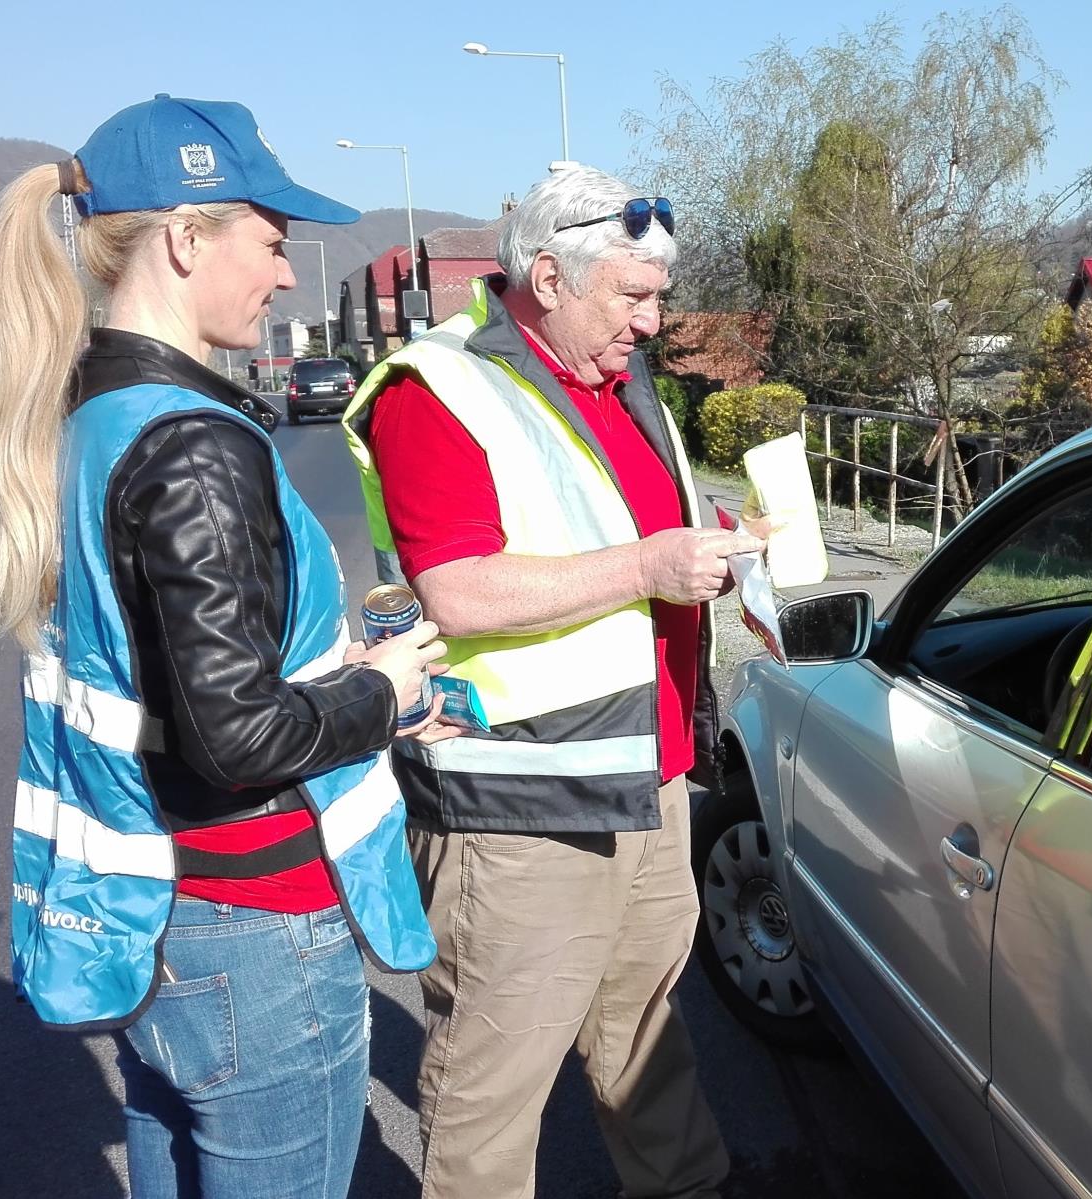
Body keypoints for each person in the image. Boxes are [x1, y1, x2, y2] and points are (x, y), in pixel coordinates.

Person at [0, 94, 454, 1197]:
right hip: (253, 927)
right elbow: (237, 731)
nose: (286, 274)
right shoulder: (194, 444)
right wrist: (382, 692)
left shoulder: (93, 408)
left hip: (158, 912)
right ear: (186, 237)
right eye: (273, 243)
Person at [342, 166, 761, 1199]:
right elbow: (459, 589)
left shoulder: (615, 383)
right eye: (632, 296)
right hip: (521, 809)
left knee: (650, 1049)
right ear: (546, 277)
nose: (653, 322)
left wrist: (720, 551)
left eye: (656, 295)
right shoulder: (435, 388)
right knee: (493, 1089)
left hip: (647, 779)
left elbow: (623, 532)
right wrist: (647, 567)